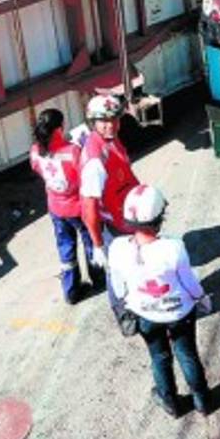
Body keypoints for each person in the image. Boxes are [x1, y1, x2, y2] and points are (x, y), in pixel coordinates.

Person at [108, 184, 212, 418]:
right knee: (187, 354)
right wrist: (201, 299)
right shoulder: (173, 247)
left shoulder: (116, 249)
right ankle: (202, 401)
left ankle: (170, 402)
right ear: (158, 218)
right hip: (179, 313)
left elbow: (118, 288)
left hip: (145, 314)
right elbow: (190, 284)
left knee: (159, 357)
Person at [30, 108, 99, 304]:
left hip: (55, 208)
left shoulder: (35, 151)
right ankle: (99, 279)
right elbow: (85, 178)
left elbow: (38, 167)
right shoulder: (73, 151)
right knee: (90, 243)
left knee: (66, 250)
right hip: (78, 208)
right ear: (60, 128)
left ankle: (71, 291)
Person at [80, 94, 140, 318]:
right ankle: (124, 315)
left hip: (127, 218)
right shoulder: (95, 162)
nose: (111, 125)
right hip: (114, 226)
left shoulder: (110, 140)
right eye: (104, 121)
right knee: (117, 272)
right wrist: (97, 244)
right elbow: (88, 207)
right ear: (93, 123)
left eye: (114, 119)